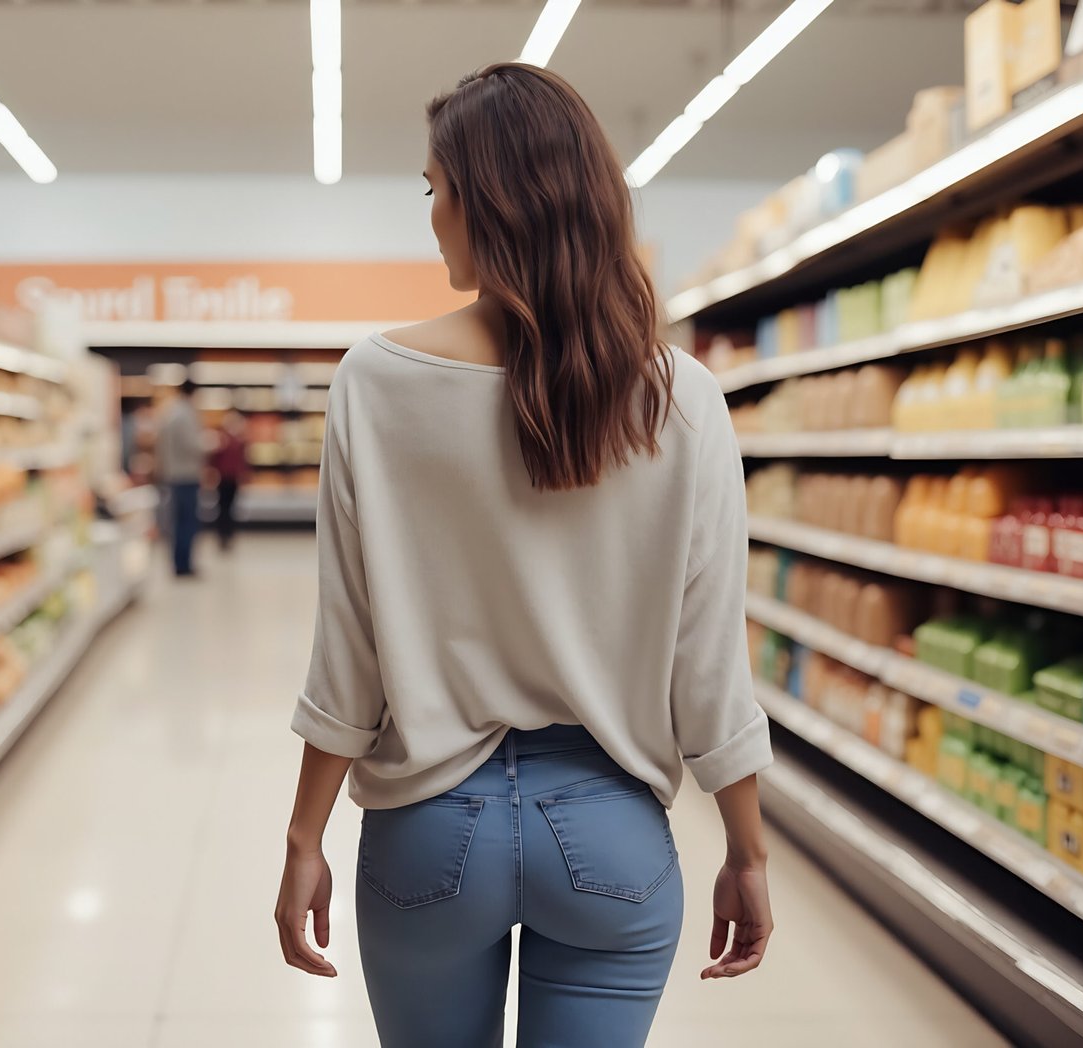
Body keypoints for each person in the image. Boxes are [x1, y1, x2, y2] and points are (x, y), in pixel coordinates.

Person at [274, 63, 775, 1047]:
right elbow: (710, 664)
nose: (431, 216)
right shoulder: (684, 398)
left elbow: (349, 648)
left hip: (427, 833)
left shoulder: (375, 382)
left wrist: (303, 838)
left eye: (434, 189)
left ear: (482, 200)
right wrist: (746, 848)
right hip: (612, 834)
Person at [155, 379, 204, 577]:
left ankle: (179, 562)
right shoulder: (185, 415)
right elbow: (191, 445)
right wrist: (209, 444)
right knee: (186, 522)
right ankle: (183, 564)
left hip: (173, 474)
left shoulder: (170, 412)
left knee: (178, 521)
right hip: (186, 474)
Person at [210, 409, 249, 550]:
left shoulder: (239, 440)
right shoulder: (222, 438)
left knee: (231, 508)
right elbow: (215, 459)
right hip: (223, 478)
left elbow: (242, 461)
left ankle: (229, 534)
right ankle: (222, 535)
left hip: (233, 478)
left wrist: (243, 475)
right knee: (223, 508)